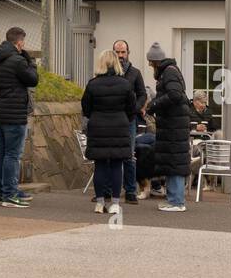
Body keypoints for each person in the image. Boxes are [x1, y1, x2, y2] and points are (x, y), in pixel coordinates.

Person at [0, 26, 39, 208]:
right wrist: (30, 61)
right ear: (19, 42)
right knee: (12, 155)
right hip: (15, 115)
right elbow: (33, 80)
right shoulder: (18, 61)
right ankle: (10, 194)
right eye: (23, 42)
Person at [81, 49, 137, 215]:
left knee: (99, 166)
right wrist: (123, 118)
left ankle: (99, 202)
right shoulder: (125, 84)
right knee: (116, 165)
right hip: (119, 126)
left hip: (98, 126)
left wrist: (96, 116)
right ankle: (114, 203)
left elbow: (86, 108)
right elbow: (131, 108)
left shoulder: (92, 84)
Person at [145, 43, 191, 212]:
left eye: (150, 62)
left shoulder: (169, 72)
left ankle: (177, 201)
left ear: (156, 61)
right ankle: (173, 199)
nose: (150, 65)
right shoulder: (170, 71)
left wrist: (154, 104)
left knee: (174, 163)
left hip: (174, 125)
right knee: (172, 162)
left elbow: (174, 95)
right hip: (174, 124)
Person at [113, 40, 148, 205]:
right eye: (117, 52)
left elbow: (142, 94)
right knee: (109, 156)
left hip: (129, 120)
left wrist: (136, 107)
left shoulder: (135, 73)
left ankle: (130, 191)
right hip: (111, 119)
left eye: (123, 52)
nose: (120, 56)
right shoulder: (107, 72)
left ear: (128, 53)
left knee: (129, 156)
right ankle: (107, 191)